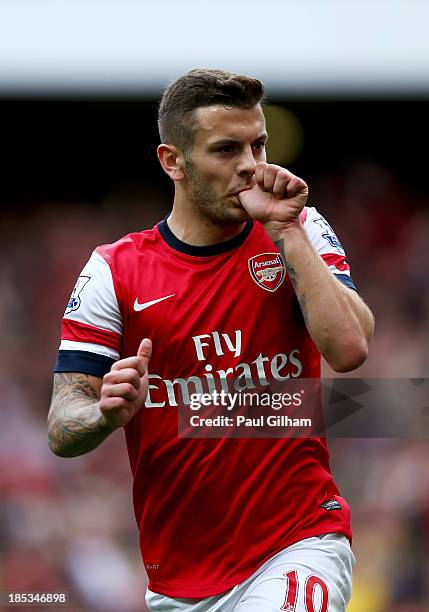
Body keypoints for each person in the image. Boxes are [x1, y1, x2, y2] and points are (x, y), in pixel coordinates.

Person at [48, 69, 374, 611]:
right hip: (178, 578)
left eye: (258, 145)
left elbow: (350, 350)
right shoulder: (114, 270)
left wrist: (288, 233)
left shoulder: (301, 228)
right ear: (173, 161)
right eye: (227, 149)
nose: (250, 165)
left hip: (297, 544)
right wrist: (104, 413)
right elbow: (63, 423)